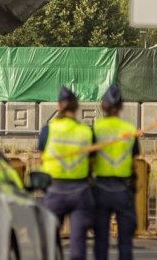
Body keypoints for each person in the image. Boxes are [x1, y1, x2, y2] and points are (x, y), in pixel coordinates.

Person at [40, 86, 94, 260]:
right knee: (78, 243)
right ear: (76, 107)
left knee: (49, 242)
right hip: (80, 191)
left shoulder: (48, 130)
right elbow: (92, 160)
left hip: (54, 190)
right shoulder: (86, 131)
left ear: (59, 106)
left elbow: (43, 156)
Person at [92, 84, 140, 260]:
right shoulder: (129, 130)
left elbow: (90, 158)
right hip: (123, 189)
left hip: (101, 188)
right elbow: (134, 160)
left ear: (103, 106)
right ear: (120, 106)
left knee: (101, 240)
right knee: (125, 241)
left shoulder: (96, 129)